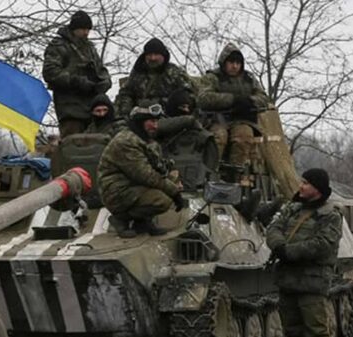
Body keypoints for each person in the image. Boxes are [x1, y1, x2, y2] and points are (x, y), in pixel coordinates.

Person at [266, 168, 343, 337]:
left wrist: (289, 251)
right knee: (293, 330)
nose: (301, 186)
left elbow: (322, 244)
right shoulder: (292, 208)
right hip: (288, 278)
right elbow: (273, 229)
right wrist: (279, 246)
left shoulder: (331, 215)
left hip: (312, 279)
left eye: (306, 183)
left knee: (318, 330)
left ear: (317, 188)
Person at [97, 103, 185, 238]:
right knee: (162, 200)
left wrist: (173, 180)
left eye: (156, 121)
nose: (155, 126)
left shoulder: (145, 141)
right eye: (151, 121)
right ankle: (120, 218)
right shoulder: (126, 141)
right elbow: (146, 175)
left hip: (131, 185)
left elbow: (159, 170)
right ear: (140, 122)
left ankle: (142, 222)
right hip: (117, 191)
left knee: (171, 180)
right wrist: (174, 192)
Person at [197, 43, 271, 167]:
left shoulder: (249, 79)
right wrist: (232, 100)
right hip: (216, 119)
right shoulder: (213, 77)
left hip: (241, 120)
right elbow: (204, 98)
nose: (235, 66)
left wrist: (249, 101)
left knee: (244, 137)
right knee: (219, 138)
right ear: (224, 62)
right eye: (231, 62)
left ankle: (236, 174)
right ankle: (211, 173)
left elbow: (264, 98)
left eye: (238, 63)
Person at [42, 10, 111, 138]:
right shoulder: (59, 46)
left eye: (88, 30)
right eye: (83, 29)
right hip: (70, 109)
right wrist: (76, 81)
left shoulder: (89, 48)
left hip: (93, 108)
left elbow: (101, 70)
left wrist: (104, 82)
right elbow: (50, 72)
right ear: (74, 28)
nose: (86, 33)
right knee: (73, 147)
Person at [115, 38, 195, 119]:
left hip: (167, 117)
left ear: (163, 55)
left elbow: (188, 94)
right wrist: (126, 112)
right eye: (149, 55)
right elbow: (126, 93)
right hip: (140, 117)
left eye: (156, 54)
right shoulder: (137, 72)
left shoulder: (174, 72)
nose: (153, 58)